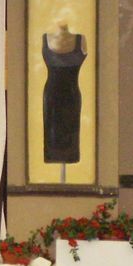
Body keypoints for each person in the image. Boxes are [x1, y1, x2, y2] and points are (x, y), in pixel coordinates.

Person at [41, 22, 87, 165]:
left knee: (70, 133)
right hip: (52, 97)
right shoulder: (45, 38)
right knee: (52, 134)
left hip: (71, 96)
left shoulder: (81, 40)